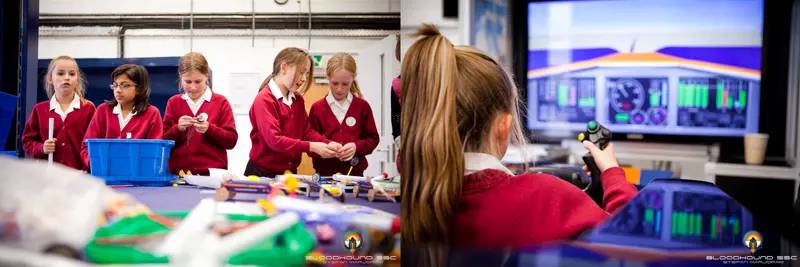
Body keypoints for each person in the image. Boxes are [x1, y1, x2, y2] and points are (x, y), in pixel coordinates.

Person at [401, 24, 637, 252]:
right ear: (503, 126)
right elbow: (633, 240)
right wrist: (612, 172)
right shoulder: (545, 197)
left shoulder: (411, 198)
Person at [246, 47, 342, 177]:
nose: (303, 79)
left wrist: (328, 144)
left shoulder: (297, 100)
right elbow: (275, 140)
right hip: (262, 174)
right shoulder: (264, 100)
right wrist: (312, 147)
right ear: (284, 68)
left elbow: (306, 131)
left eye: (306, 74)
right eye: (301, 72)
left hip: (289, 174)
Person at [163, 52, 238, 176]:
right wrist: (178, 129)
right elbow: (163, 140)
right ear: (181, 77)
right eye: (188, 81)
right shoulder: (174, 102)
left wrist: (210, 129)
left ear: (206, 76)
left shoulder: (221, 102)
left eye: (198, 81)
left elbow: (231, 141)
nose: (192, 87)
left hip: (212, 175)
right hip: (179, 175)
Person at [306, 52, 379, 176]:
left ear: (353, 78)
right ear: (327, 77)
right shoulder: (317, 108)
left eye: (345, 84)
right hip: (324, 176)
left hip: (355, 176)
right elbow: (310, 143)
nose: (339, 89)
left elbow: (372, 139)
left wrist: (356, 147)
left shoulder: (362, 107)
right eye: (335, 83)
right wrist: (325, 147)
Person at [22, 56, 96, 171]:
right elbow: (27, 142)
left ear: (77, 79)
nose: (66, 78)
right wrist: (42, 148)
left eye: (72, 74)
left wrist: (87, 167)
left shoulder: (88, 108)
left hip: (80, 177)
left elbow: (94, 143)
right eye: (60, 73)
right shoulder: (40, 110)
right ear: (50, 79)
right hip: (49, 179)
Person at [81, 64, 164, 167]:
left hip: (138, 180)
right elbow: (86, 147)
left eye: (125, 85)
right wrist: (95, 164)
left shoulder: (152, 113)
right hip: (105, 178)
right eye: (115, 85)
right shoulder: (103, 111)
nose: (118, 90)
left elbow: (154, 152)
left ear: (139, 89)